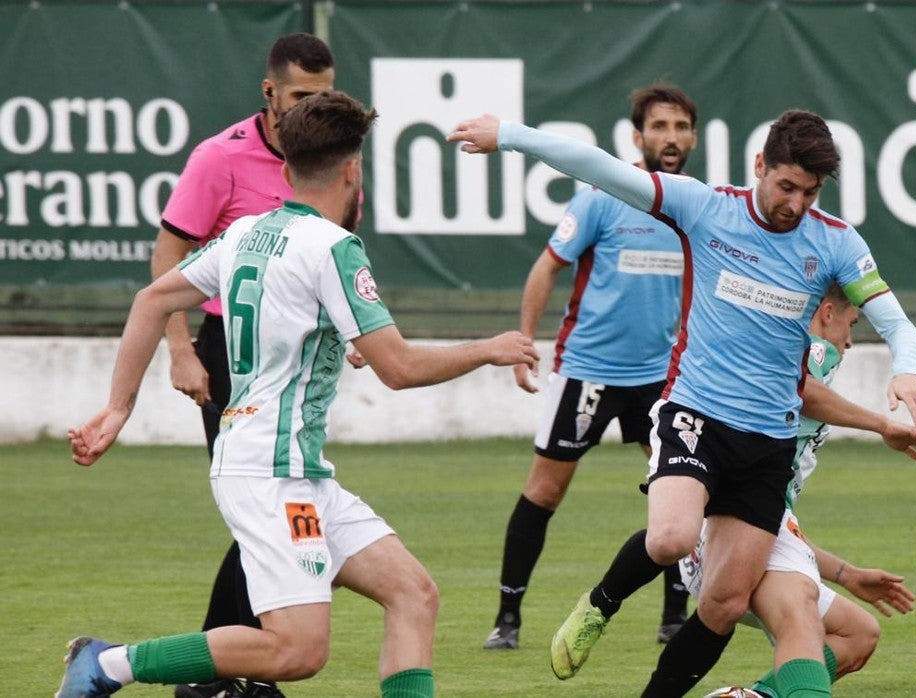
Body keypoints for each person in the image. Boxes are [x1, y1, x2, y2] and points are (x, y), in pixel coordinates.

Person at [449, 108, 916, 698]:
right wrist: (510, 136)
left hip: (768, 444)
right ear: (759, 165)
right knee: (670, 540)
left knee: (724, 604)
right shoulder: (704, 206)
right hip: (696, 415)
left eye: (809, 193)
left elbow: (897, 324)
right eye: (786, 186)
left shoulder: (835, 241)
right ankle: (599, 605)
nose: (795, 204)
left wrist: (908, 372)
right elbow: (603, 170)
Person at [58, 90, 540, 698]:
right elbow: (399, 368)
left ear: (285, 168)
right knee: (297, 651)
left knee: (412, 594)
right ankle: (107, 665)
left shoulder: (249, 233)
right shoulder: (334, 249)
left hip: (294, 468)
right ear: (352, 170)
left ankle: (109, 664)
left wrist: (118, 408)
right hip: (270, 470)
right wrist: (488, 348)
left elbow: (152, 298)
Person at [149, 33, 335, 698]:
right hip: (228, 353)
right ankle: (225, 671)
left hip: (300, 362)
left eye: (324, 95)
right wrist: (178, 349)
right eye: (301, 97)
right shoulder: (218, 159)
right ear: (269, 93)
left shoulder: (334, 157)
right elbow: (167, 257)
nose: (314, 108)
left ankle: (222, 673)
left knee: (269, 514)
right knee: (261, 515)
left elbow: (335, 248)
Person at [484, 83, 697, 651]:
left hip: (662, 378)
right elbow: (546, 268)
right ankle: (508, 617)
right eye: (659, 127)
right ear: (637, 136)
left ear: (693, 137)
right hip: (588, 374)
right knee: (544, 492)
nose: (670, 138)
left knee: (677, 491)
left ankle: (675, 616)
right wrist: (525, 341)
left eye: (680, 127)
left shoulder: (692, 205)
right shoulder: (603, 197)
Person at [681, 285, 916, 697]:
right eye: (851, 324)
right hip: (728, 532)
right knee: (800, 622)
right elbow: (803, 383)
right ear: (827, 313)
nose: (850, 340)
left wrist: (847, 574)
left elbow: (778, 526)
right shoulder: (814, 353)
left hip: (747, 528)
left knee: (858, 634)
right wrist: (883, 423)